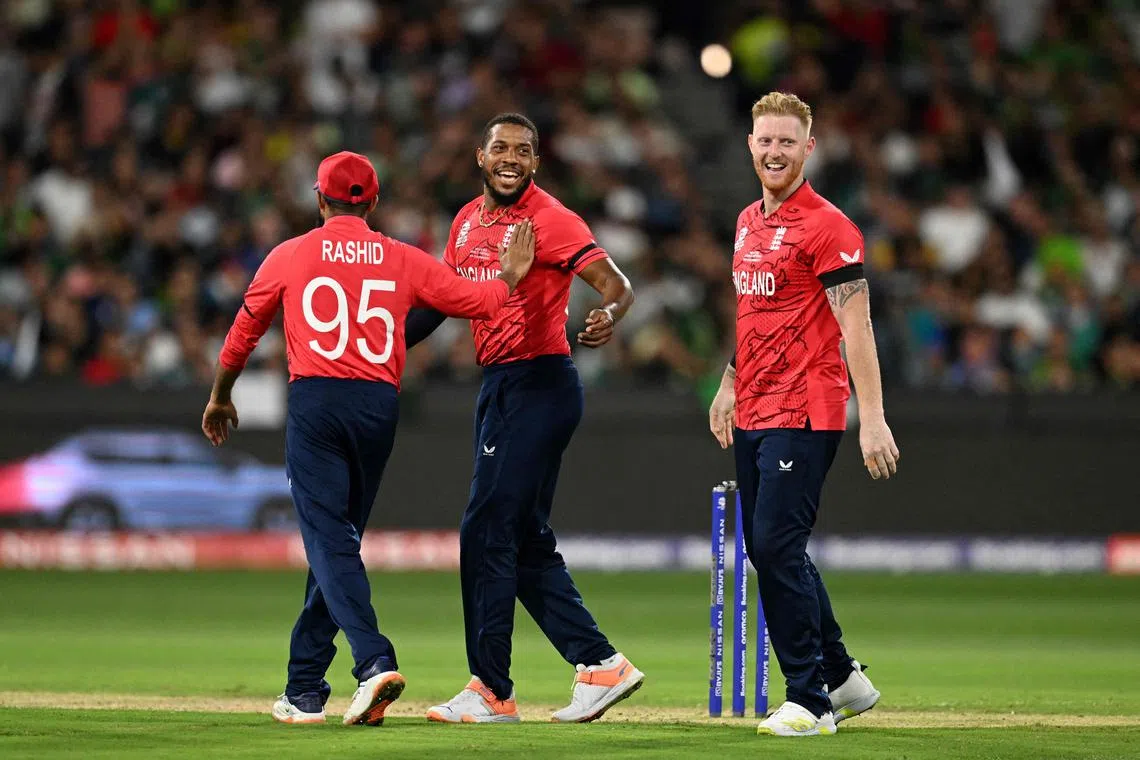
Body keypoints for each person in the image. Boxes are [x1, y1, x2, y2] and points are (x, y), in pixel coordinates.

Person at [201, 150, 536, 727]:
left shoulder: (289, 254)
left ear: (318, 198)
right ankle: (304, 686)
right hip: (378, 408)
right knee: (337, 542)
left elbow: (244, 330)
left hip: (316, 402)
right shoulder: (401, 258)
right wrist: (509, 276)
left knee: (329, 539)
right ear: (374, 202)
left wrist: (220, 393)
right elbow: (473, 302)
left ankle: (373, 661)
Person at [404, 113, 642, 724]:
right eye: (500, 148)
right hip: (502, 386)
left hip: (539, 382)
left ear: (535, 162)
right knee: (523, 539)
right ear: (480, 158)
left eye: (524, 150)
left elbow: (616, 284)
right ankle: (600, 665)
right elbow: (442, 302)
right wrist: (380, 342)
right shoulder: (464, 223)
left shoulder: (552, 219)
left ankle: (491, 691)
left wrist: (610, 313)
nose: (511, 158)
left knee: (485, 530)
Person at [707, 92, 900, 737]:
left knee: (774, 544)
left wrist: (871, 417)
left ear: (808, 148)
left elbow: (857, 327)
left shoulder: (830, 226)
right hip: (756, 403)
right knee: (772, 548)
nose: (774, 151)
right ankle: (843, 677)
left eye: (787, 141)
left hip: (808, 406)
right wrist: (730, 381)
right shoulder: (745, 222)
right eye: (765, 140)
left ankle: (809, 701)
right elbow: (755, 315)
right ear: (750, 145)